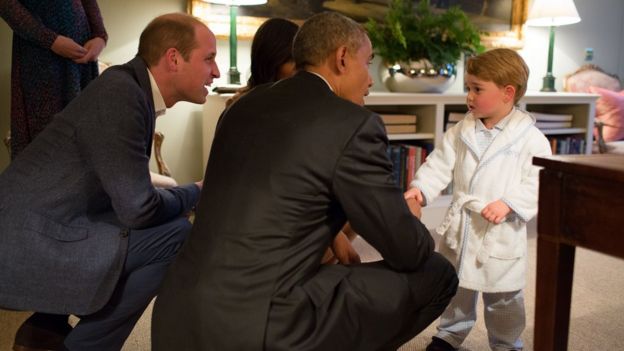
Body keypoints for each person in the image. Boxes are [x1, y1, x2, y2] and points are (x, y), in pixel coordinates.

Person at [152, 11, 458, 351]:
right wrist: (410, 218)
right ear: (342, 58)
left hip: (176, 314)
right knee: (438, 273)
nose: (370, 80)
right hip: (258, 326)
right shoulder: (353, 124)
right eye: (367, 63)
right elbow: (407, 251)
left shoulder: (242, 105)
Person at [0, 12, 220, 351]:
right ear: (174, 58)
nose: (216, 72)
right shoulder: (122, 95)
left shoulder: (127, 88)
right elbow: (138, 209)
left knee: (165, 225)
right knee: (176, 236)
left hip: (48, 223)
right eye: (209, 59)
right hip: (30, 240)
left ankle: (48, 325)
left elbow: (127, 191)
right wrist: (196, 192)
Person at [403, 48, 552, 351]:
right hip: (463, 227)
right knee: (457, 287)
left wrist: (509, 203)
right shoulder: (462, 129)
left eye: (477, 89)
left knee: (504, 297)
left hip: (500, 233)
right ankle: (449, 334)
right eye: (468, 88)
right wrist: (422, 189)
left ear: (508, 93)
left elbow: (539, 179)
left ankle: (508, 344)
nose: (469, 96)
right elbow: (439, 163)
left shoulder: (530, 138)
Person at [0, 0, 108, 159]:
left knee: (85, 134)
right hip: (41, 58)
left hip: (82, 58)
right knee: (47, 140)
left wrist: (100, 36)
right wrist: (50, 40)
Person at [226, 17, 299, 107]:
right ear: (271, 61)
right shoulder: (240, 106)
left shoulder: (305, 100)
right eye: (292, 60)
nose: (301, 69)